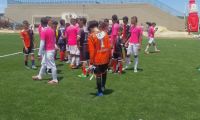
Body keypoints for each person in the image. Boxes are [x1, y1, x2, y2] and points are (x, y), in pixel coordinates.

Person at [32, 17, 58, 84]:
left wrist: (39, 54)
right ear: (47, 22)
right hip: (50, 50)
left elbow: (42, 43)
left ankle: (55, 80)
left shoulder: (44, 31)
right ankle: (40, 76)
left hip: (49, 51)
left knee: (52, 65)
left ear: (41, 23)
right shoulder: (51, 30)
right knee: (44, 64)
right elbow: (53, 40)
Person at [88, 21, 111, 96]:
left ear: (91, 28)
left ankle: (100, 91)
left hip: (97, 59)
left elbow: (92, 51)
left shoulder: (91, 36)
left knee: (98, 75)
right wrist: (109, 58)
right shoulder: (105, 34)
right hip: (105, 58)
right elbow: (109, 47)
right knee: (104, 73)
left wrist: (91, 62)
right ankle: (103, 86)